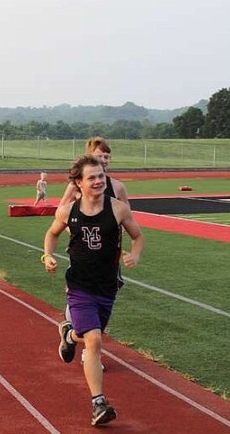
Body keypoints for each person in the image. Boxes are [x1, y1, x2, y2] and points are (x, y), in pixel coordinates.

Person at [42, 154, 144, 427]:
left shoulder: (118, 209)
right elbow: (52, 234)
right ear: (79, 182)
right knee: (95, 340)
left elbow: (137, 236)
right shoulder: (68, 211)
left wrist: (134, 254)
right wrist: (47, 255)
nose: (99, 181)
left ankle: (68, 334)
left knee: (89, 336)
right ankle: (98, 403)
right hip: (79, 286)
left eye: (101, 176)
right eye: (92, 178)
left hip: (107, 288)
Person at [58, 136, 130, 367]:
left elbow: (127, 216)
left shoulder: (117, 187)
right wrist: (76, 230)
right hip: (83, 251)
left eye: (107, 156)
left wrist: (124, 243)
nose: (104, 160)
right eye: (100, 156)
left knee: (104, 299)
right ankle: (87, 350)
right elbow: (62, 210)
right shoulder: (77, 185)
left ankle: (75, 337)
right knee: (81, 293)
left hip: (109, 255)